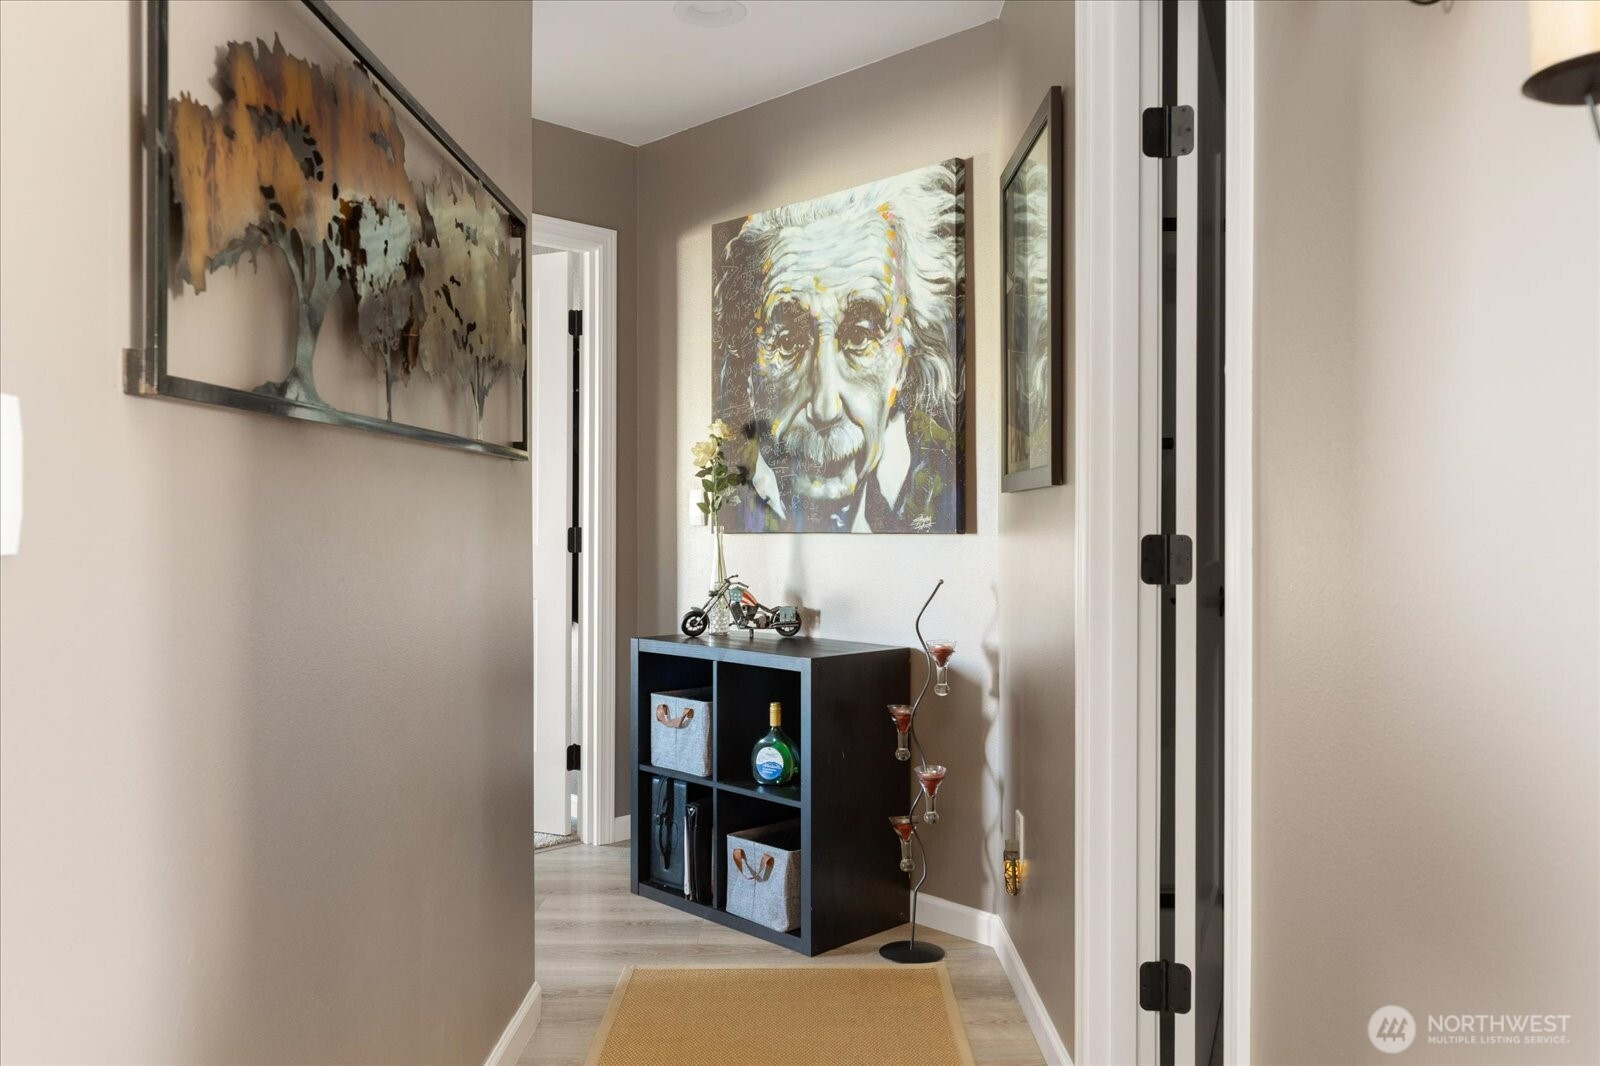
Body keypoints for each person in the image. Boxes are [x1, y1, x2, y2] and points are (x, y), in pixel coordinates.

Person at [712, 162, 965, 533]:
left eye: (859, 338)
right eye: (787, 342)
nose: (824, 407)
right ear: (747, 364)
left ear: (905, 360)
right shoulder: (731, 505)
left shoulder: (938, 497)